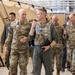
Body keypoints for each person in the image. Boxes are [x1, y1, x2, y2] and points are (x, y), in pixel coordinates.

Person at [28, 7, 58, 75]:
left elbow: (56, 39)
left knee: (48, 70)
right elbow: (30, 37)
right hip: (37, 49)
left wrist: (49, 46)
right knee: (36, 69)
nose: (36, 16)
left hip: (47, 49)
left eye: (38, 14)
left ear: (43, 14)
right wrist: (32, 27)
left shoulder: (50, 25)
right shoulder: (35, 24)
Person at [5, 9, 30, 75]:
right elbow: (9, 36)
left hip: (24, 50)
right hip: (14, 49)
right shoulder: (13, 24)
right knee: (12, 66)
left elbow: (33, 36)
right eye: (23, 14)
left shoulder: (29, 25)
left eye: (25, 14)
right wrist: (6, 47)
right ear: (18, 15)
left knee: (23, 67)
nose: (24, 16)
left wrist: (28, 38)